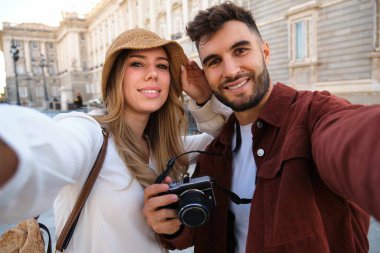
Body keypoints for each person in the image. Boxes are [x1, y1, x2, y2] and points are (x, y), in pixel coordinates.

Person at [143, 2, 380, 253]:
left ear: (265, 52)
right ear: (206, 73)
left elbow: (355, 141)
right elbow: (206, 233)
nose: (231, 70)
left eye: (241, 50)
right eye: (214, 62)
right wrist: (173, 226)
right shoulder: (216, 152)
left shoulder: (314, 113)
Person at [0, 28, 226, 252]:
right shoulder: (90, 132)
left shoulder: (166, 148)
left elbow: (229, 134)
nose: (153, 74)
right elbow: (53, 148)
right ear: (116, 76)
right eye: (137, 64)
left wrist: (205, 99)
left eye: (162, 66)